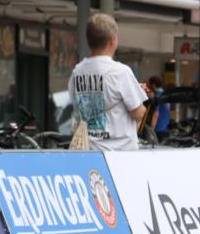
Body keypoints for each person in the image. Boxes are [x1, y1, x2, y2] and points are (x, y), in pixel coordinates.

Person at [68, 13, 150, 151]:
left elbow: (79, 106)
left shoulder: (77, 72)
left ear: (89, 41)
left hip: (89, 150)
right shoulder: (120, 72)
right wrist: (139, 97)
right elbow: (138, 113)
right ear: (113, 40)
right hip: (119, 154)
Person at [147, 74, 171, 141]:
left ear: (153, 84)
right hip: (166, 128)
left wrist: (151, 131)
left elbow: (156, 114)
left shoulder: (158, 96)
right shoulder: (165, 94)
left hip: (158, 129)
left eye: (149, 84)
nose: (148, 86)